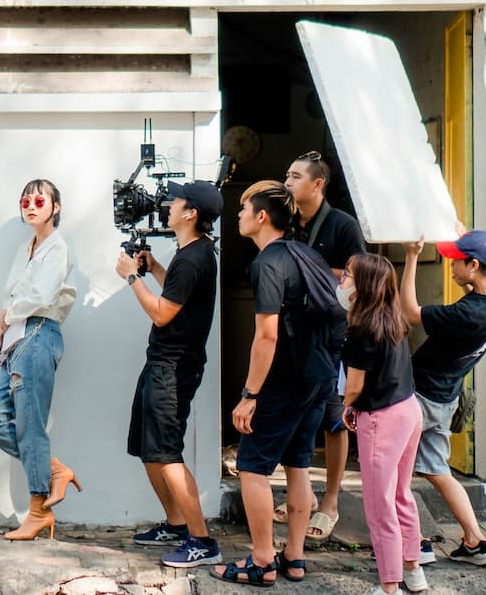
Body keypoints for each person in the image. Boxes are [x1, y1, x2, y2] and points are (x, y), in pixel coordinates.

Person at [211, 180, 334, 587]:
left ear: (262, 216)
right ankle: (294, 558)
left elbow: (267, 336)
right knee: (299, 465)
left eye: (244, 208)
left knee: (252, 466)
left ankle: (262, 560)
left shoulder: (266, 263)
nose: (239, 215)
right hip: (319, 376)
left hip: (284, 380)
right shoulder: (308, 255)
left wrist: (249, 396)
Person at [114, 180, 224, 569]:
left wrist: (132, 277)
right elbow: (176, 298)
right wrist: (156, 267)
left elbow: (162, 312)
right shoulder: (190, 253)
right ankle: (177, 526)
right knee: (150, 450)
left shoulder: (195, 257)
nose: (167, 204)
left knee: (167, 453)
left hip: (173, 369)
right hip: (161, 362)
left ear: (190, 212)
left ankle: (202, 541)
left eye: (175, 200)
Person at [401, 229, 486, 566]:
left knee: (393, 469)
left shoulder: (470, 314)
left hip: (421, 397)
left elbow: (410, 312)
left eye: (455, 261)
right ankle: (477, 541)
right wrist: (460, 232)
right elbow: (475, 286)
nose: (450, 266)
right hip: (445, 397)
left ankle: (416, 543)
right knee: (437, 470)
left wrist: (410, 257)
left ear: (475, 265)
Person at [0, 179, 78, 541]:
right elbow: (12, 297)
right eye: (25, 201)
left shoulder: (57, 248)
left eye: (39, 200)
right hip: (18, 339)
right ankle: (54, 470)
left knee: (30, 426)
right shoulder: (26, 247)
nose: (31, 206)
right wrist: (0, 337)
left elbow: (40, 296)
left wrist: (9, 317)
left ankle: (37, 513)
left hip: (38, 336)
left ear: (56, 207)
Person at [281, 151, 367, 542]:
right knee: (294, 412)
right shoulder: (286, 221)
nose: (288, 182)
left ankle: (331, 500)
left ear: (318, 185)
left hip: (333, 335)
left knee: (335, 418)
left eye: (296, 176)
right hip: (293, 332)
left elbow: (360, 278)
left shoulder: (342, 225)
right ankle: (302, 494)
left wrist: (310, 267)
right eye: (287, 175)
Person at [338, 253, 428, 594]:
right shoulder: (392, 320)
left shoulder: (361, 329)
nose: (342, 280)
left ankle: (389, 586)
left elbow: (355, 385)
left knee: (379, 504)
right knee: (402, 494)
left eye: (347, 275)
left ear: (363, 287)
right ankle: (413, 570)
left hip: (382, 420)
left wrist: (347, 407)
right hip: (408, 410)